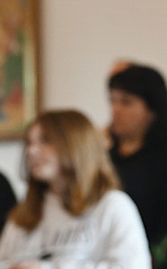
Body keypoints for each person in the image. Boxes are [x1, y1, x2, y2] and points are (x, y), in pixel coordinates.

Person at [0, 110, 150, 269]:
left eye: (45, 140)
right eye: (29, 142)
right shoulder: (24, 215)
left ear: (76, 145)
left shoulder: (112, 206)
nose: (31, 151)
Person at [107, 64, 167, 269]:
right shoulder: (105, 159)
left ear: (151, 110)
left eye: (126, 102)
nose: (116, 110)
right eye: (112, 101)